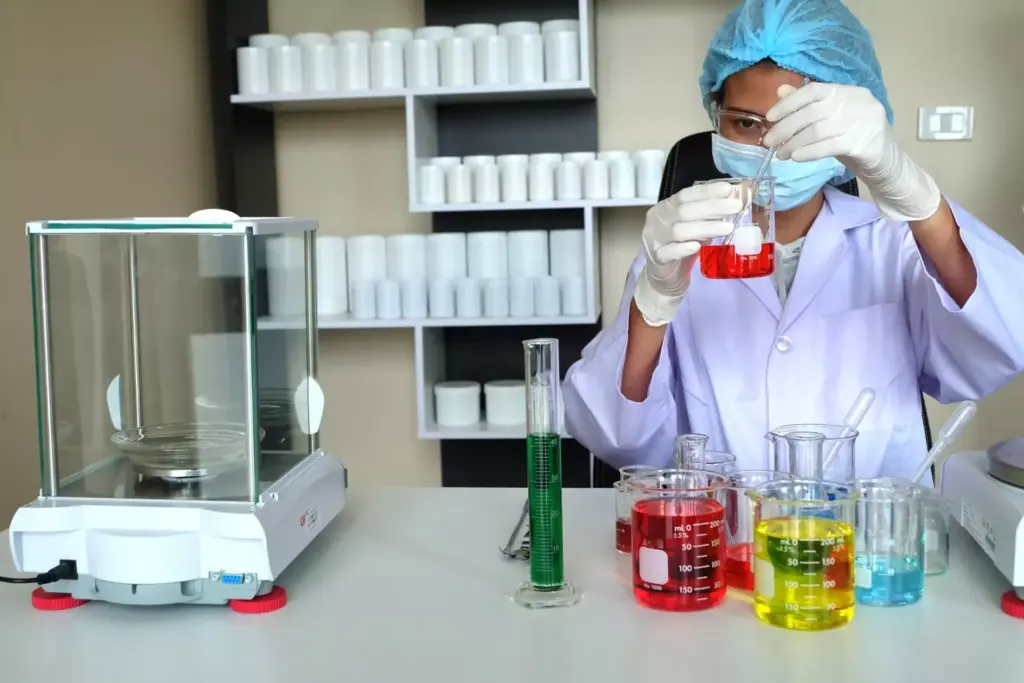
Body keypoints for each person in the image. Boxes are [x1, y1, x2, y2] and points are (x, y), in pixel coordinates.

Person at [562, 0, 1024, 481]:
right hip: (732, 537)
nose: (769, 147)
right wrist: (653, 303)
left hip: (871, 539)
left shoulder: (892, 241)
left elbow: (1005, 341)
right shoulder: (679, 250)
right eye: (746, 123)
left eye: (796, 123)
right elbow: (615, 436)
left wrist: (920, 200)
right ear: (715, 116)